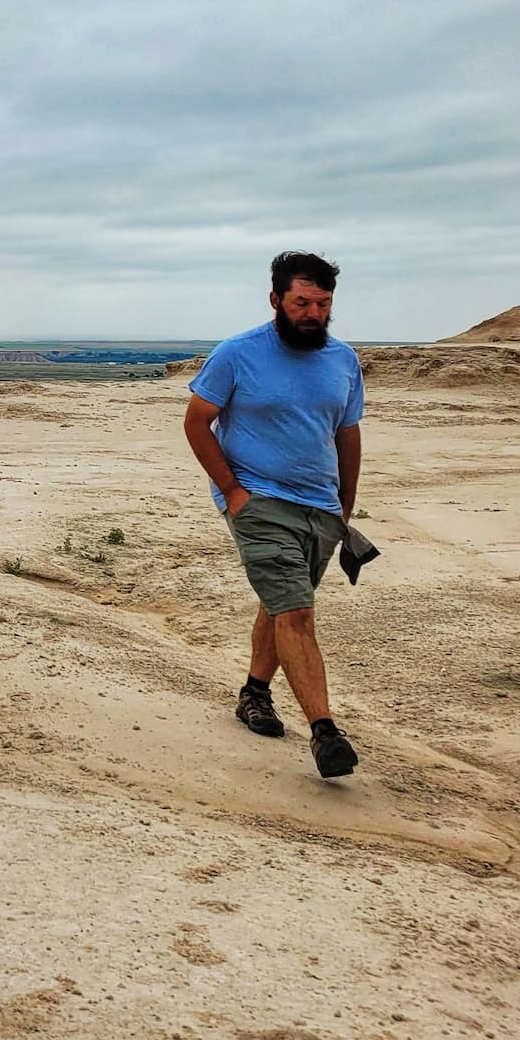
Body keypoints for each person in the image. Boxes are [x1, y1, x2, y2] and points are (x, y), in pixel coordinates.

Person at [183, 252, 365, 778]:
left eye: (323, 304)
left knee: (284, 603)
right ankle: (326, 735)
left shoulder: (343, 360)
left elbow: (347, 432)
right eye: (302, 302)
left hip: (321, 506)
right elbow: (197, 423)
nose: (313, 313)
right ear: (276, 301)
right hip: (258, 502)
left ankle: (254, 694)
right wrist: (233, 492)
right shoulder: (237, 354)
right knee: (297, 613)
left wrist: (346, 504)